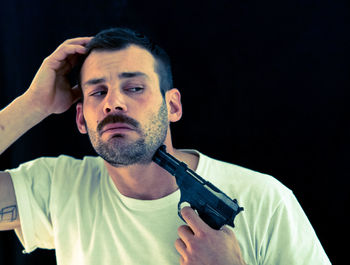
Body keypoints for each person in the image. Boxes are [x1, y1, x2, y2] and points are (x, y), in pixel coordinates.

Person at [0, 27, 331, 265]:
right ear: (81, 118)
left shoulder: (266, 200)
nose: (113, 102)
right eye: (98, 92)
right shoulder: (60, 188)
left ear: (172, 106)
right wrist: (33, 104)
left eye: (134, 88)